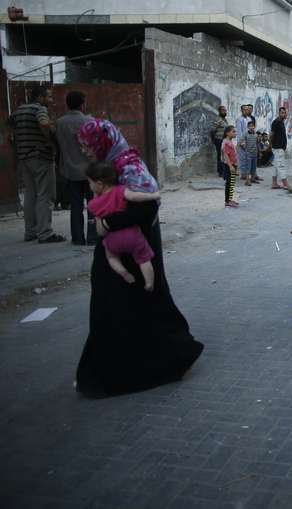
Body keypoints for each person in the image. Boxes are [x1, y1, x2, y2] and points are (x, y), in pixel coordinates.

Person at [75, 119, 203, 397]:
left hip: (135, 251)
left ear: (102, 141)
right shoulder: (108, 166)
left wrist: (108, 224)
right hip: (121, 249)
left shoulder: (128, 167)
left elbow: (146, 207)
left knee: (137, 307)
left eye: (88, 145)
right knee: (120, 310)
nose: (85, 150)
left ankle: (159, 362)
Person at [86, 162, 160, 291]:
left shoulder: (93, 204)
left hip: (112, 240)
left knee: (112, 257)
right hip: (132, 235)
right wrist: (153, 195)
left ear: (99, 184)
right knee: (144, 258)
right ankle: (149, 282)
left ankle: (124, 273)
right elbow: (135, 197)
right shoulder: (120, 191)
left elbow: (101, 231)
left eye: (90, 183)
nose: (89, 186)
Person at [9, 85, 65, 243]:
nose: (51, 100)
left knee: (30, 194)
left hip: (24, 158)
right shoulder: (39, 109)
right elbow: (44, 124)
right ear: (40, 97)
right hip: (40, 157)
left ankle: (30, 232)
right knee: (45, 195)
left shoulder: (18, 111)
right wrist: (48, 139)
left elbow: (11, 130)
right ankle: (45, 233)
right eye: (49, 97)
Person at [55, 90, 96, 245]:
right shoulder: (89, 121)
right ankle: (92, 237)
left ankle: (78, 238)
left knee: (76, 205)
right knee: (93, 205)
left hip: (70, 170)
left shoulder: (60, 123)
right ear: (82, 104)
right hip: (89, 170)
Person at [270, 107, 292, 192]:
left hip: (280, 147)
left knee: (276, 165)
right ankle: (286, 184)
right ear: (279, 113)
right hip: (278, 147)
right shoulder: (276, 122)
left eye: (285, 112)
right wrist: (271, 145)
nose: (284, 114)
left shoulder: (281, 122)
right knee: (281, 165)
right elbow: (272, 134)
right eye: (282, 112)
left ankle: (274, 183)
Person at [221, 126, 239, 208]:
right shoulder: (226, 142)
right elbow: (226, 156)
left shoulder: (229, 141)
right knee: (229, 183)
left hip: (233, 164)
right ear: (227, 133)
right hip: (229, 165)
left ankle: (230, 199)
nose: (235, 133)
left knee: (232, 183)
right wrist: (230, 166)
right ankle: (227, 201)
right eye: (233, 131)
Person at [238, 121, 259, 186]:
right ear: (248, 127)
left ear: (254, 127)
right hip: (248, 154)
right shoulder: (245, 134)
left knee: (254, 167)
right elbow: (240, 142)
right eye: (250, 126)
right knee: (248, 168)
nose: (251, 127)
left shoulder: (255, 134)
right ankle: (247, 180)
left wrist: (258, 151)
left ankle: (252, 179)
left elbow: (257, 143)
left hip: (255, 154)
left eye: (252, 126)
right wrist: (244, 147)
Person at [209, 105, 228, 178]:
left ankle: (224, 170)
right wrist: (214, 140)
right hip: (219, 140)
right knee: (220, 156)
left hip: (224, 140)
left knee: (224, 156)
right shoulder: (218, 119)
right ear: (219, 111)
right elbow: (212, 130)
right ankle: (220, 172)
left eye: (225, 110)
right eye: (223, 110)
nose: (224, 111)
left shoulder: (225, 120)